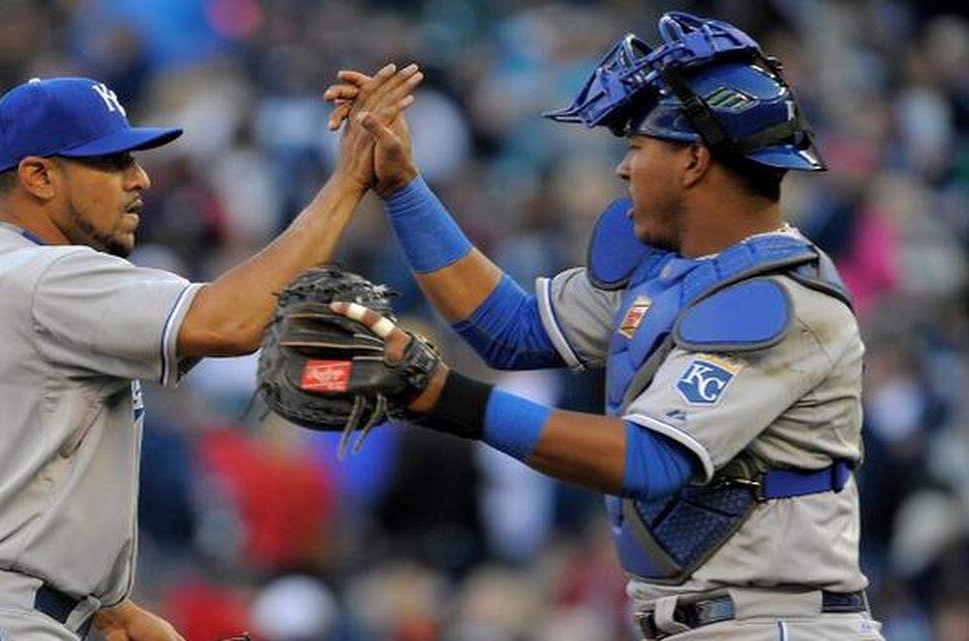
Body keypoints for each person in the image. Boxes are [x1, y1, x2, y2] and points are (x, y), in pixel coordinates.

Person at [322, 12, 883, 640]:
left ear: (694, 159)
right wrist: (401, 186)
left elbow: (649, 459)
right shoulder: (674, 271)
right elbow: (510, 329)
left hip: (774, 626)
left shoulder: (778, 301)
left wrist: (447, 399)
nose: (624, 168)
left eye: (637, 146)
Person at [0, 64, 422, 641]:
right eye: (110, 162)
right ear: (39, 176)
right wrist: (349, 180)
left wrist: (100, 610)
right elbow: (232, 321)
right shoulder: (42, 276)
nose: (139, 179)